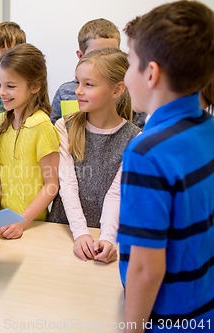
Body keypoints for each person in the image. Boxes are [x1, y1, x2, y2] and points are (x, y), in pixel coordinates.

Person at [117, 2, 214, 332]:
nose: (126, 76)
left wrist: (132, 327)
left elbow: (146, 269)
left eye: (128, 63)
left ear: (151, 73)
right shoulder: (208, 128)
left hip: (168, 320)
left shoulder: (146, 153)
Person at [49, 48, 140, 263]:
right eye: (78, 82)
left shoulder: (135, 138)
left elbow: (116, 194)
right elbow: (67, 184)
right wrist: (81, 233)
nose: (78, 91)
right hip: (65, 229)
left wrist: (108, 238)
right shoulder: (65, 125)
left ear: (117, 90)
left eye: (88, 84)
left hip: (108, 234)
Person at [0, 43, 60, 239]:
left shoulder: (42, 125)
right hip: (2, 224)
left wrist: (22, 222)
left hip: (32, 227)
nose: (1, 92)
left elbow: (51, 185)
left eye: (10, 86)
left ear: (35, 86)